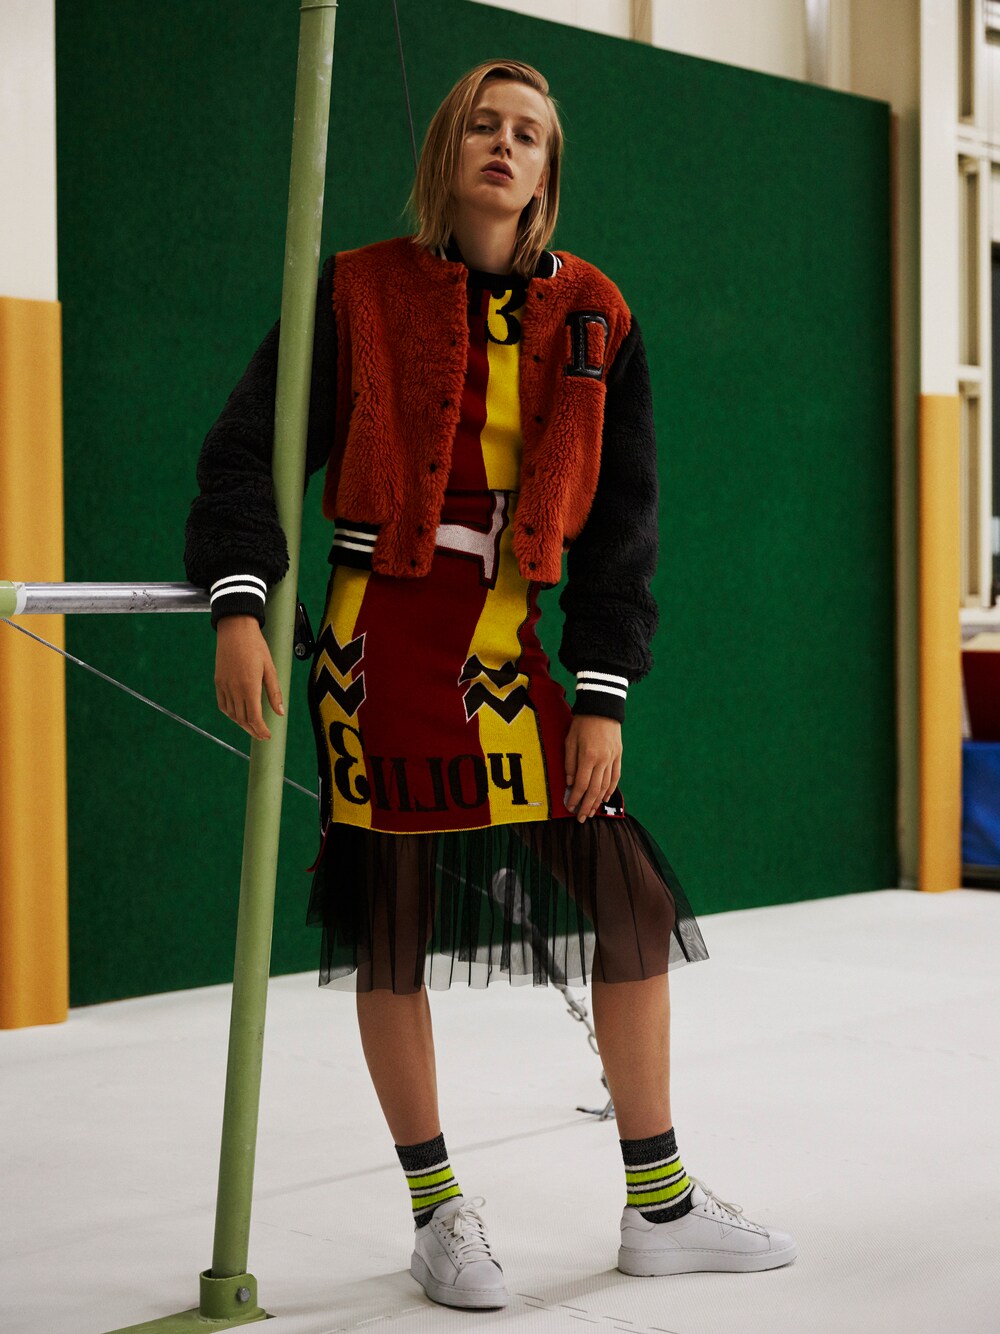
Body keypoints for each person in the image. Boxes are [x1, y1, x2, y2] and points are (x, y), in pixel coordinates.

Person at [184, 58, 796, 1313]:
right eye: (482, 125)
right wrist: (241, 602)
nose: (503, 145)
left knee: (630, 907)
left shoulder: (597, 314)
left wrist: (603, 690)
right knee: (392, 932)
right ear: (446, 149)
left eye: (527, 133)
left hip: (509, 653)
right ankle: (436, 1212)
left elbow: (622, 524)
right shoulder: (353, 290)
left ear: (548, 168)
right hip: (370, 650)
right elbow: (245, 452)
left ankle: (659, 1202)